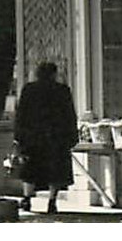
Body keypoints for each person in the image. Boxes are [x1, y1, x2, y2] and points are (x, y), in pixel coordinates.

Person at [14, 61, 76, 214]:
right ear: (54, 74)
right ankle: (52, 201)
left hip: (33, 136)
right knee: (55, 171)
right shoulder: (62, 90)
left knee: (30, 169)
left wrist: (19, 137)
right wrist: (72, 136)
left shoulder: (29, 90)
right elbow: (69, 115)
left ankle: (27, 198)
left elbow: (21, 114)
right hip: (56, 137)